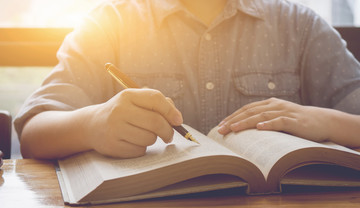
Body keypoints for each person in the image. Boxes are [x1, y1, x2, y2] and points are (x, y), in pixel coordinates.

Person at [14, 0, 360, 160]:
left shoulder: (300, 26)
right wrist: (91, 124)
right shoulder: (108, 24)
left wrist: (330, 121)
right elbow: (32, 133)